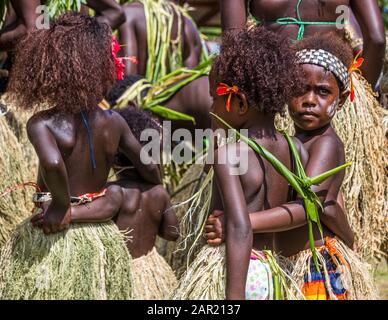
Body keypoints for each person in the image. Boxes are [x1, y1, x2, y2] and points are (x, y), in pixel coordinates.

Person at [205, 33, 378, 300]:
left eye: (322, 91)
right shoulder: (293, 145)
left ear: (341, 100)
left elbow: (320, 207)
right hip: (286, 265)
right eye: (299, 89)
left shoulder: (326, 144)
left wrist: (240, 223)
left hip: (315, 265)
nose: (309, 100)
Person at [172, 26, 306, 300]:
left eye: (215, 98)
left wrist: (234, 298)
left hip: (237, 273)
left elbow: (239, 227)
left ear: (240, 103)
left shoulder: (229, 155)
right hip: (274, 272)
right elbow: (304, 209)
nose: (211, 109)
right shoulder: (297, 149)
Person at [67, 104, 179, 300]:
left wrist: (68, 213)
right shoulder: (160, 193)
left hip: (120, 276)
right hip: (153, 275)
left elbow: (104, 210)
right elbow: (172, 233)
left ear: (115, 157)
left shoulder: (114, 191)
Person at [221, 0, 385, 88]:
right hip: (329, 91)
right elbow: (376, 39)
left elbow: (234, 43)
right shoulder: (338, 97)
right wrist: (356, 92)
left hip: (269, 91)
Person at [119, 0, 204, 80]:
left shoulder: (128, 14)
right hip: (172, 94)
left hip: (137, 93)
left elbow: (128, 79)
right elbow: (190, 78)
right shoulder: (189, 25)